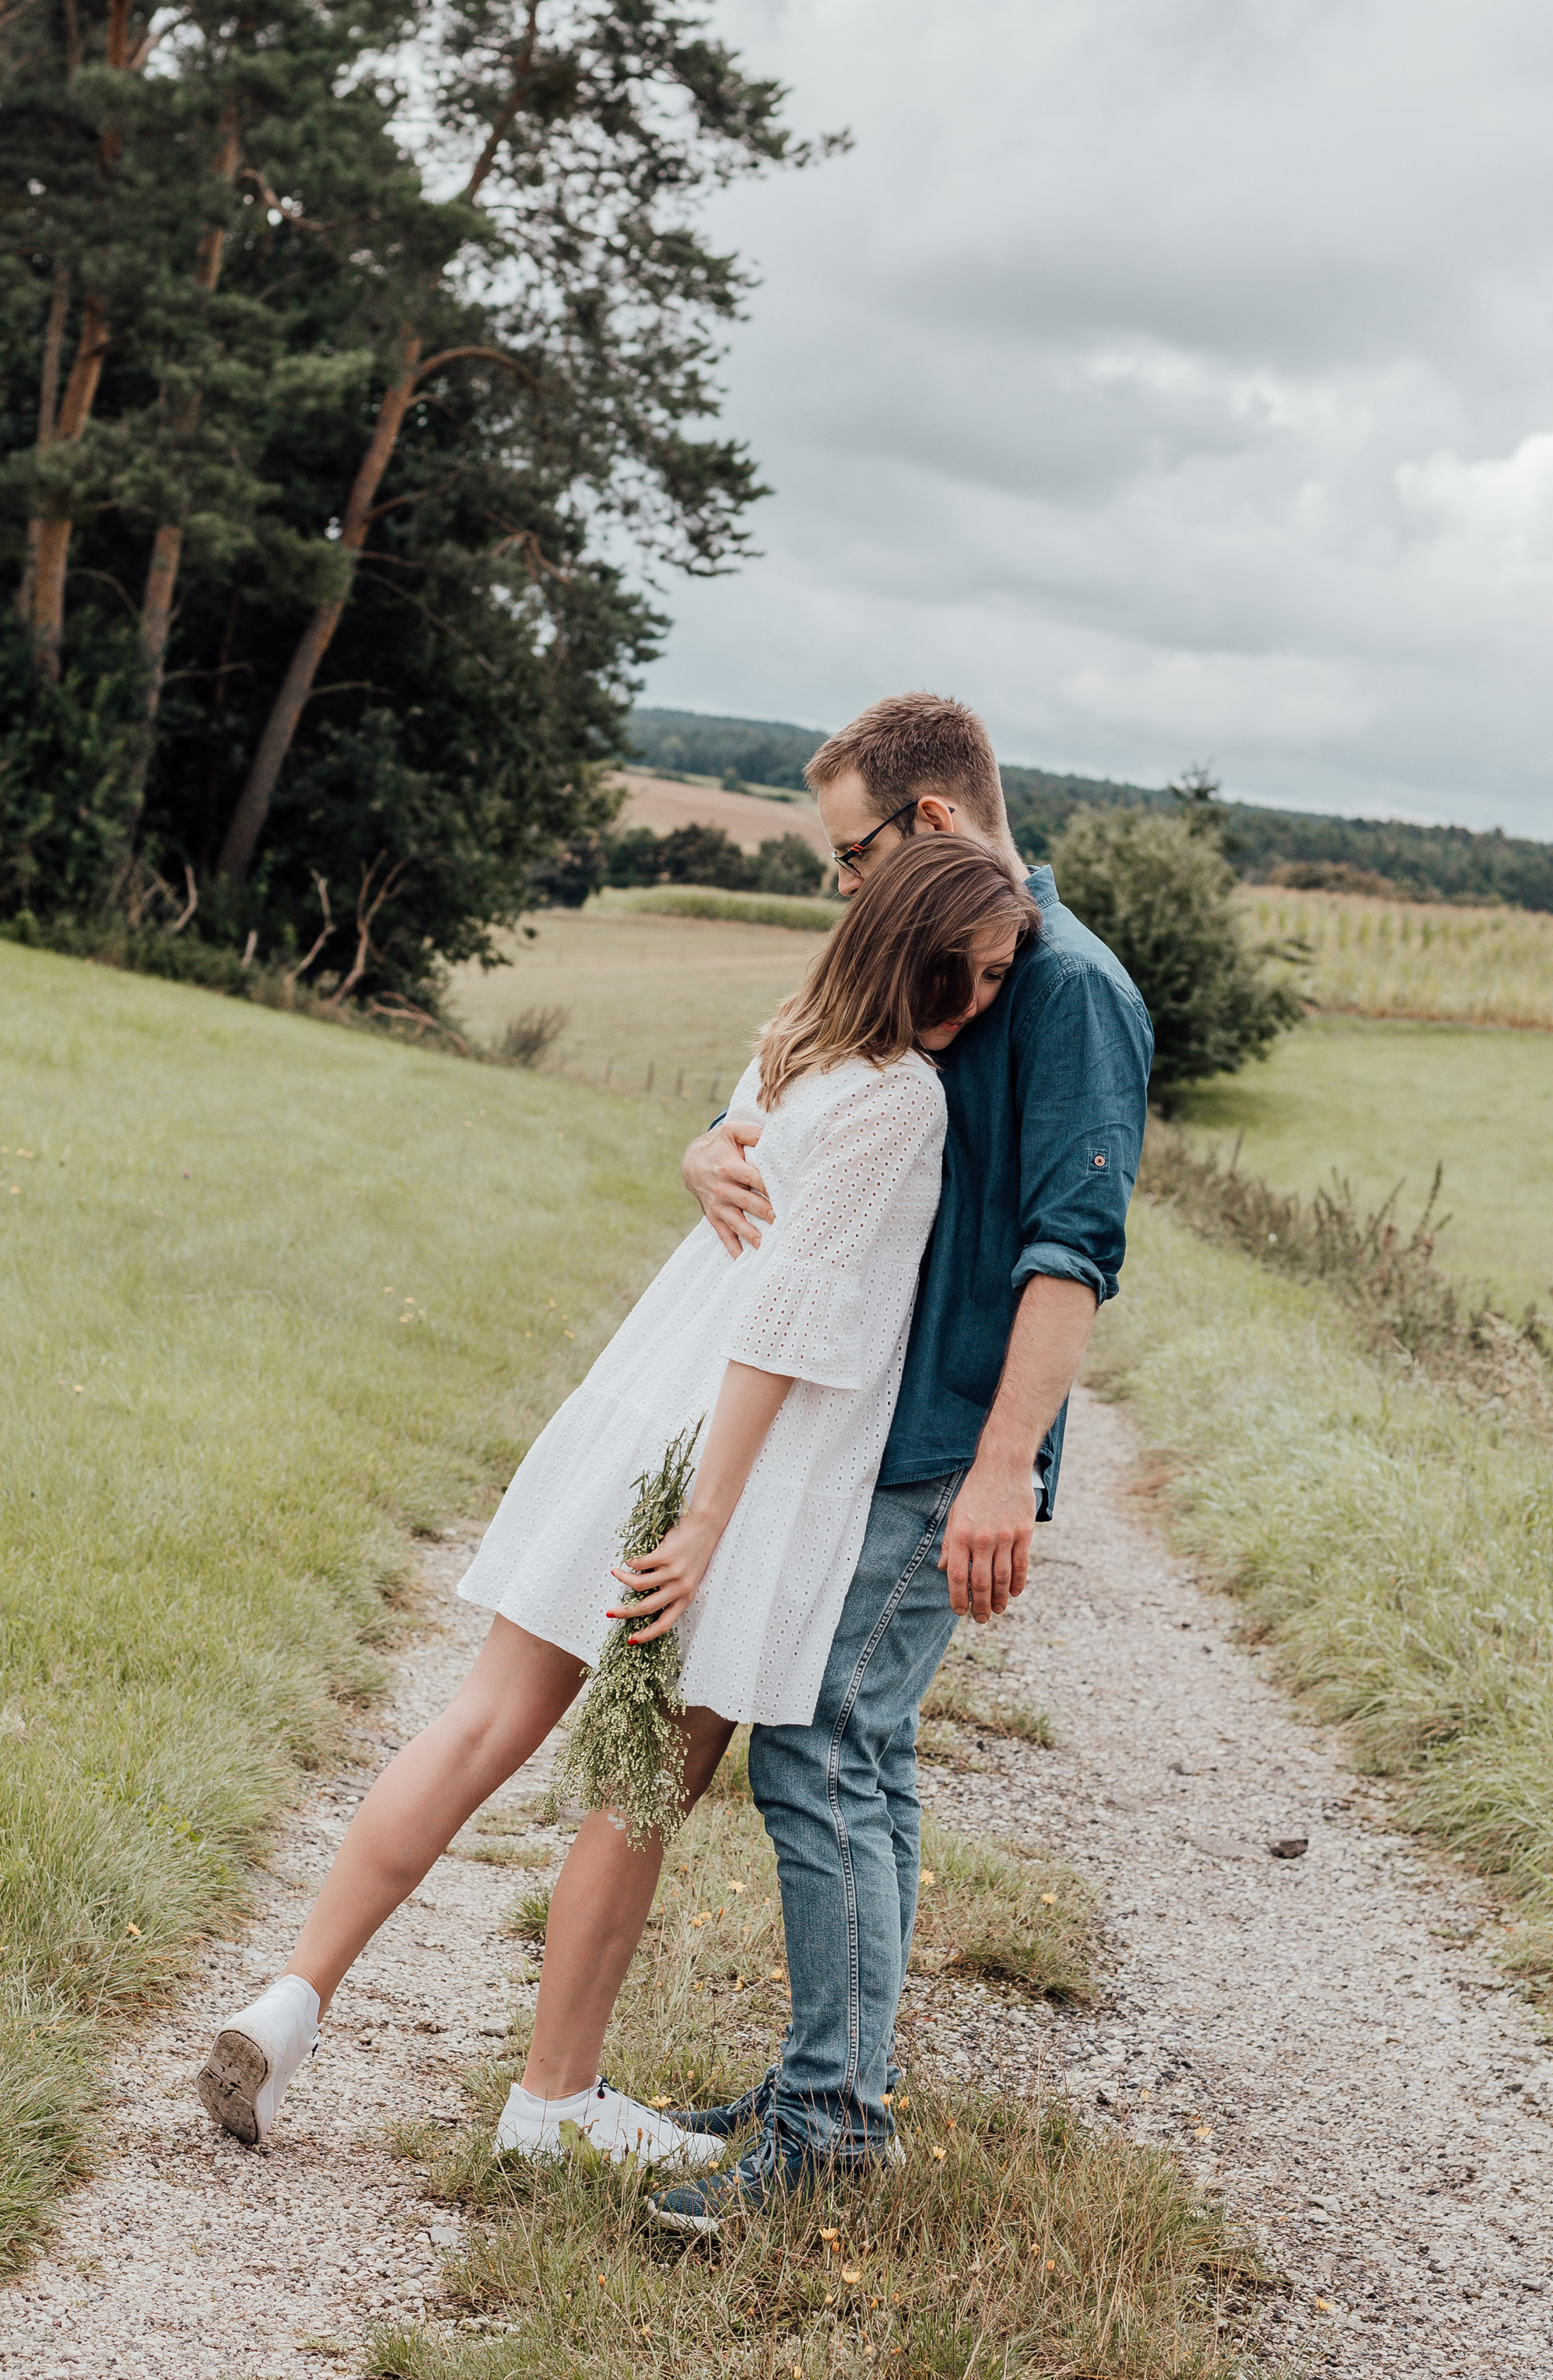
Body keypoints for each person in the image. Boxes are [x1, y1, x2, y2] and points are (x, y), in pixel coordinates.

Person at [195, 833, 1042, 2168]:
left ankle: (290, 1996)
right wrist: (709, 1519)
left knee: (484, 1719)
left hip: (642, 1406)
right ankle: (554, 2096)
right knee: (646, 1776)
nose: (987, 1002)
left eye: (1000, 978)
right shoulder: (902, 1102)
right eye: (978, 974)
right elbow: (788, 1315)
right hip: (738, 1463)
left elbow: (737, 1178)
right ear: (923, 960)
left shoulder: (797, 1041)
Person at [645, 691, 1152, 2235]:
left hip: (942, 1444)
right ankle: (830, 2082)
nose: (841, 884)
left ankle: (829, 2126)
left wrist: (1006, 1467)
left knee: (817, 1749)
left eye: (848, 852)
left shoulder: (1063, 991)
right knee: (857, 1754)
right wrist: (707, 1147)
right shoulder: (958, 961)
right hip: (872, 1429)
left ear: (929, 822)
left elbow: (1071, 1251)